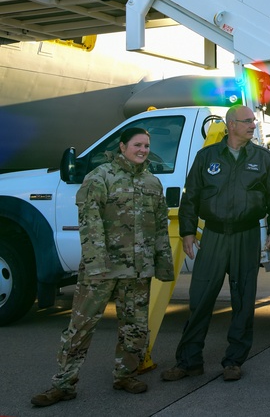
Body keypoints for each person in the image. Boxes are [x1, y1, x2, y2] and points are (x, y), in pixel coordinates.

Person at [31, 128, 174, 407]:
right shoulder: (100, 177)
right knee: (81, 326)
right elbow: (90, 222)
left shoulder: (152, 182)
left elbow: (159, 227)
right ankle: (63, 384)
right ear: (122, 147)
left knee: (135, 327)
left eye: (146, 145)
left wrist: (162, 264)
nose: (143, 150)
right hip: (103, 269)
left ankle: (126, 375)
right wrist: (97, 264)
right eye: (137, 145)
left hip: (137, 270)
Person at [161, 105, 270, 383]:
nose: (253, 126)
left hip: (246, 235)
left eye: (253, 121)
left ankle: (234, 361)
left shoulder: (264, 158)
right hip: (214, 236)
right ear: (231, 125)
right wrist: (188, 232)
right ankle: (188, 361)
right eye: (247, 121)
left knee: (243, 302)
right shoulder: (207, 156)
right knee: (200, 299)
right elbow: (191, 196)